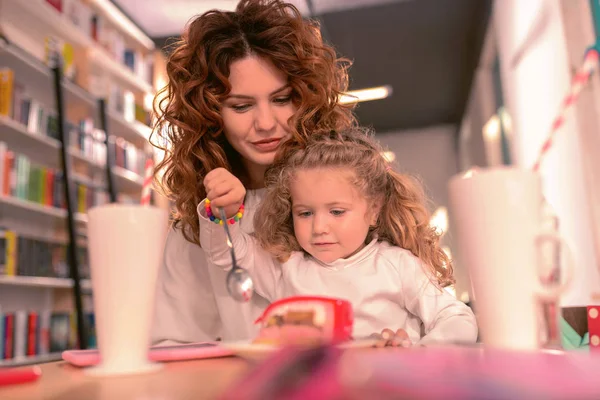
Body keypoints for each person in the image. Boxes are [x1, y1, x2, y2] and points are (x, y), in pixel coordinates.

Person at [150, 0, 356, 344]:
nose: (265, 124)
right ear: (210, 115)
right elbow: (172, 343)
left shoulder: (352, 197)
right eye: (242, 106)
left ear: (307, 99)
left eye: (281, 99)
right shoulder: (197, 227)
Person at [200, 128, 478, 346]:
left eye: (336, 211)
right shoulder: (286, 267)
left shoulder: (398, 265)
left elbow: (457, 318)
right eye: (305, 213)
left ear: (374, 210)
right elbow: (226, 252)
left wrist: (421, 353)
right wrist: (223, 211)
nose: (319, 227)